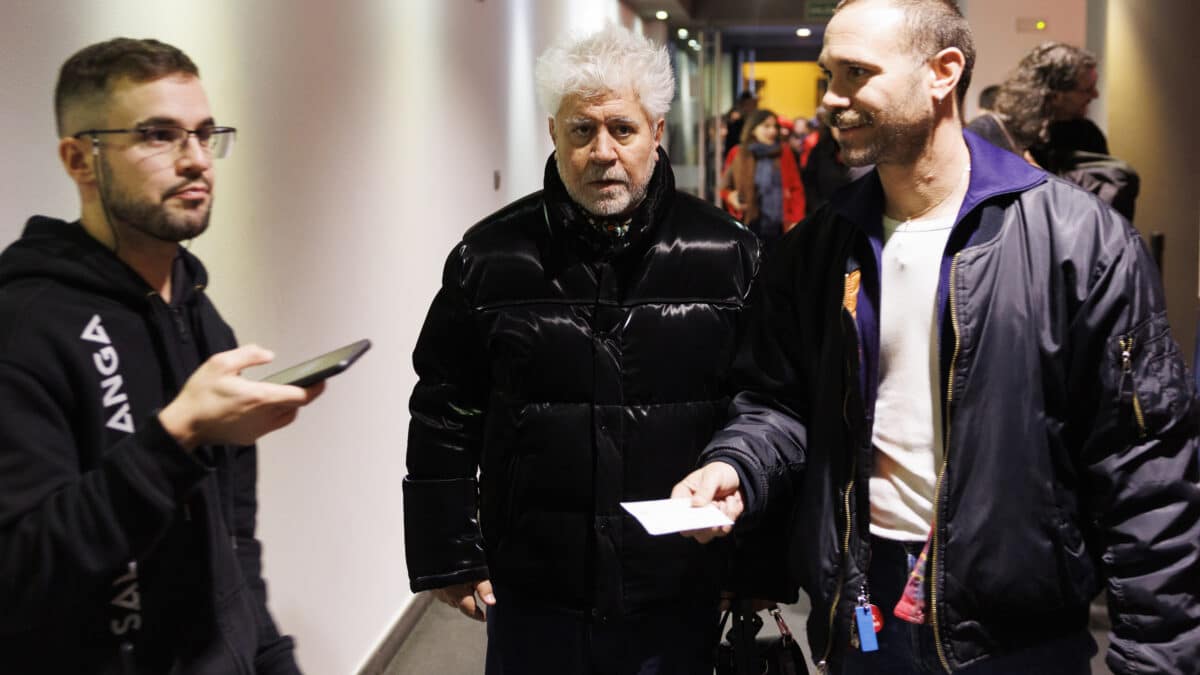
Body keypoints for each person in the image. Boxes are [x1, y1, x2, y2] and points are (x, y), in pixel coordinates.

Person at [673, 1, 1200, 674]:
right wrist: (735, 463)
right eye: (829, 73)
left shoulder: (1079, 241)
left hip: (1019, 628)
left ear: (942, 72)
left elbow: (1143, 463)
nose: (833, 97)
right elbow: (777, 400)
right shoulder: (816, 250)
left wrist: (1157, 654)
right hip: (864, 602)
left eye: (858, 73)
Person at [403, 24, 761, 675]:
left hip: (677, 586)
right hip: (536, 590)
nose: (601, 152)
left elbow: (761, 410)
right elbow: (444, 411)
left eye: (621, 129)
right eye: (580, 130)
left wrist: (756, 557)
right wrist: (447, 550)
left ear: (656, 130)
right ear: (553, 134)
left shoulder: (729, 254)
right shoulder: (488, 258)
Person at [0, 38, 323, 673]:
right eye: (158, 135)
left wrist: (269, 655)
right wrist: (176, 438)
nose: (196, 160)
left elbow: (233, 536)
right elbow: (20, 572)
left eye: (206, 134)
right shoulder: (25, 328)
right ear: (79, 159)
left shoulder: (202, 321)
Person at [969, 42, 1139, 220]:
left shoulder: (1088, 134)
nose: (1095, 95)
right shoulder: (993, 134)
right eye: (1087, 90)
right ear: (1056, 96)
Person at [720, 109, 806, 251]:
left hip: (779, 225)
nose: (772, 131)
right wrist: (730, 196)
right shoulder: (738, 153)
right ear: (753, 129)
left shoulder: (784, 152)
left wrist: (796, 220)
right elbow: (723, 187)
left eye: (775, 127)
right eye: (766, 126)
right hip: (747, 221)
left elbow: (796, 188)